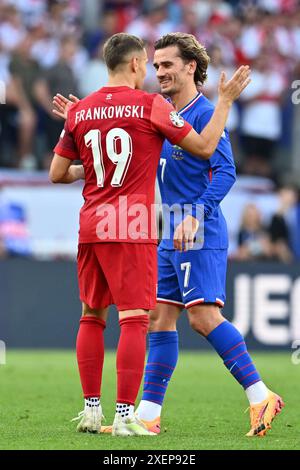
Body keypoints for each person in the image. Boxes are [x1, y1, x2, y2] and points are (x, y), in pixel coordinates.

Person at [49, 32, 250, 437]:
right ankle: (126, 417)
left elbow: (57, 173)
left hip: (91, 224)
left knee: (91, 316)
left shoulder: (81, 111)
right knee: (137, 319)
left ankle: (91, 411)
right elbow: (207, 148)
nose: (155, 72)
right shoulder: (151, 105)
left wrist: (90, 146)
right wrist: (226, 101)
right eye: (151, 65)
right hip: (130, 225)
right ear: (137, 64)